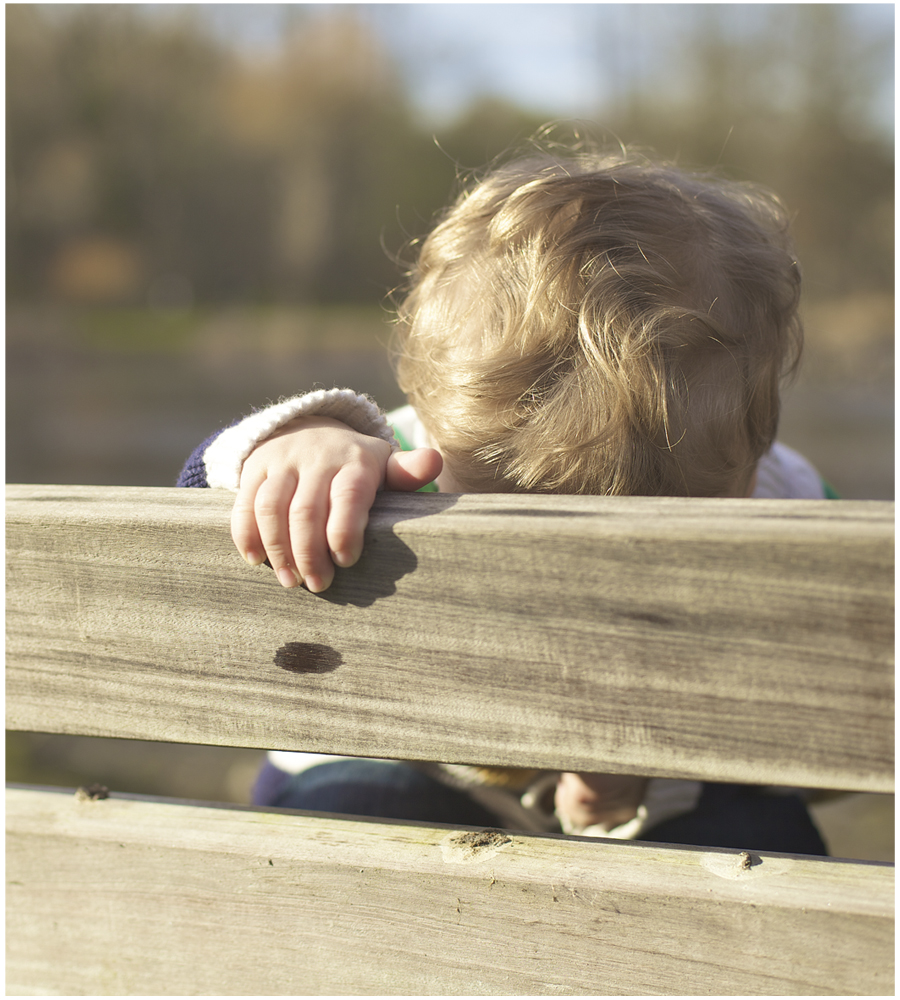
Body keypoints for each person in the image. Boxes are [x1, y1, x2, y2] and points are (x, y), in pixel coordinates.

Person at [179, 144, 831, 854]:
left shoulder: (787, 495)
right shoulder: (387, 458)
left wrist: (634, 781)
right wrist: (300, 441)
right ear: (432, 416)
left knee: (755, 822)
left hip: (649, 766)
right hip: (407, 754)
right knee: (363, 800)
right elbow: (206, 483)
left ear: (755, 450)